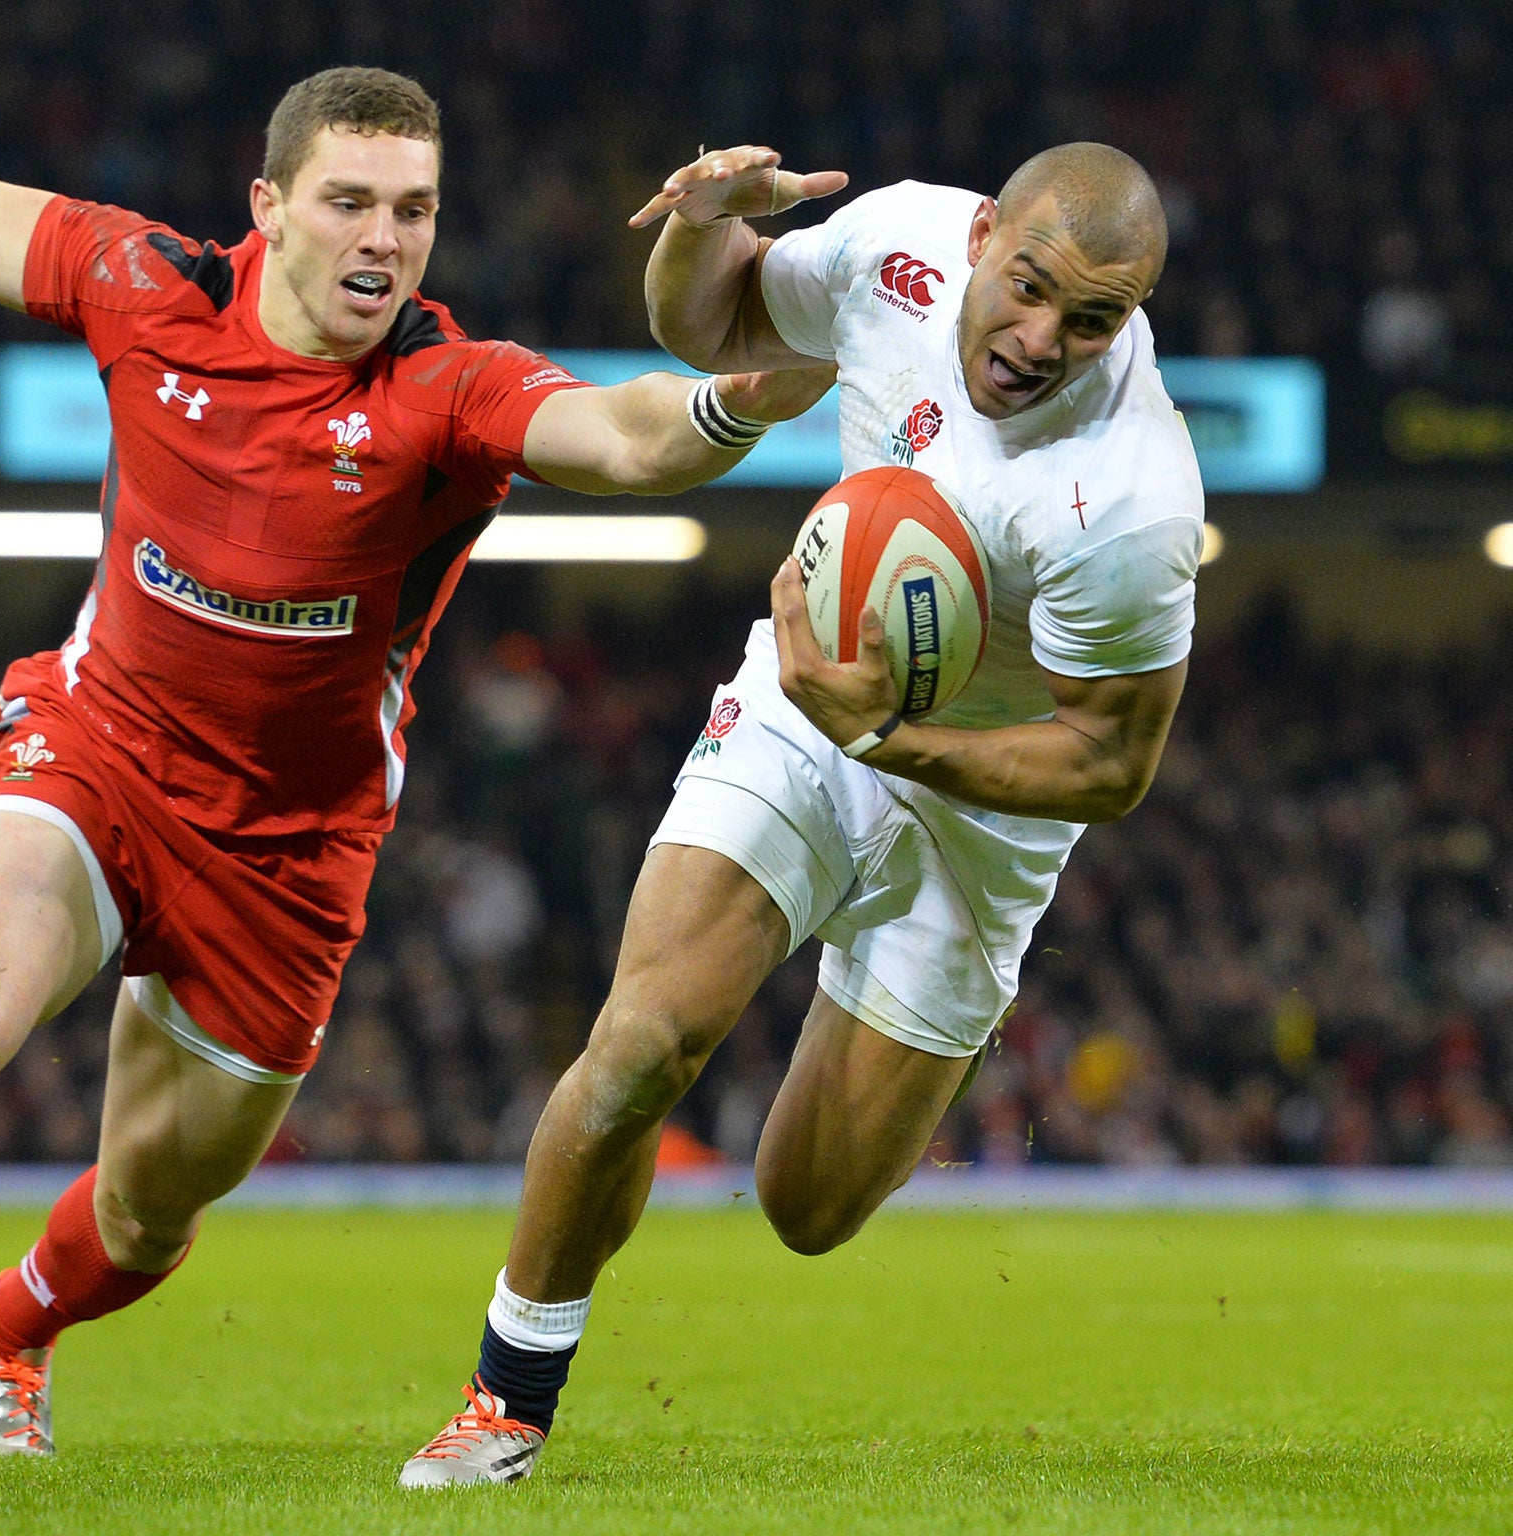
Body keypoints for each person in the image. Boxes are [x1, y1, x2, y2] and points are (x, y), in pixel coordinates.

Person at [0, 68, 833, 1456]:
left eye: (413, 212)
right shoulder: (146, 287)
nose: (383, 239)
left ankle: (12, 1328)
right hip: (97, 757)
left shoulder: (444, 388)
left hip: (291, 856)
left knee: (146, 1214)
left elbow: (618, 431)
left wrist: (756, 394)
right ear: (269, 207)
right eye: (349, 202)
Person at [399, 141, 1203, 1486]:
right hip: (804, 701)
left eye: (1091, 319)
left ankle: (881, 996)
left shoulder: (1130, 496)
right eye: (1030, 287)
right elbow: (709, 319)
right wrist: (697, 229)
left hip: (980, 816)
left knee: (807, 1208)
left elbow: (1110, 767)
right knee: (646, 1040)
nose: (1042, 338)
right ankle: (506, 1400)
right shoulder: (898, 244)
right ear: (984, 231)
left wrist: (895, 738)